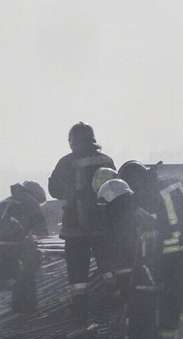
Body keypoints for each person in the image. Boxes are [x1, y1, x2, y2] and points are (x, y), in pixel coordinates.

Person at [118, 161, 183, 339]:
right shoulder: (175, 182)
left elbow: (149, 226)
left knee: (167, 302)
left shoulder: (143, 196)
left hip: (170, 251)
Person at [48, 122, 116, 323]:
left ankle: (80, 310)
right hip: (103, 225)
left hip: (75, 227)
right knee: (108, 266)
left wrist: (72, 193)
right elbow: (116, 188)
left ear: (73, 141)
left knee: (78, 273)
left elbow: (54, 190)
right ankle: (114, 300)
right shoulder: (106, 160)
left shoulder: (67, 162)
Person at [96, 178, 160, 339]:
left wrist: (119, 286)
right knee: (146, 322)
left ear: (111, 199)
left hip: (133, 280)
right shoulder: (142, 214)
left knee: (129, 324)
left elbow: (120, 255)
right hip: (150, 279)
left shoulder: (118, 221)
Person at [0, 181, 48, 313]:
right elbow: (42, 232)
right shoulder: (31, 202)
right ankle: (26, 303)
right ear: (36, 195)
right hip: (9, 249)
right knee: (30, 262)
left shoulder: (7, 201)